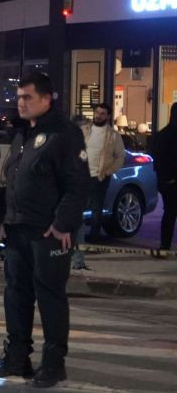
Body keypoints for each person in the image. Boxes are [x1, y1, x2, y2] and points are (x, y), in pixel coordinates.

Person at [0, 72, 91, 388]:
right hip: (17, 229)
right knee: (16, 295)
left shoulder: (64, 134)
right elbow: (12, 180)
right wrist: (4, 220)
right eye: (18, 97)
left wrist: (62, 224)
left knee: (50, 296)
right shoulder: (22, 134)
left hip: (47, 233)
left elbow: (78, 184)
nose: (21, 103)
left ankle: (54, 364)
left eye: (27, 97)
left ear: (47, 98)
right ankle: (16, 357)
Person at [71, 102, 126, 269]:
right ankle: (78, 245)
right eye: (97, 113)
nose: (99, 116)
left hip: (99, 176)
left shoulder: (113, 135)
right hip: (82, 175)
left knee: (96, 209)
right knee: (77, 210)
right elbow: (74, 149)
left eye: (102, 113)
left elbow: (120, 157)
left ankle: (93, 242)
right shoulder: (85, 130)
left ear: (108, 116)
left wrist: (108, 172)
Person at [151, 102, 177, 253]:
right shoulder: (166, 135)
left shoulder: (162, 134)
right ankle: (165, 245)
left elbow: (156, 159)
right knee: (170, 213)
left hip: (168, 181)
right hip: (170, 180)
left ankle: (165, 245)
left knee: (169, 213)